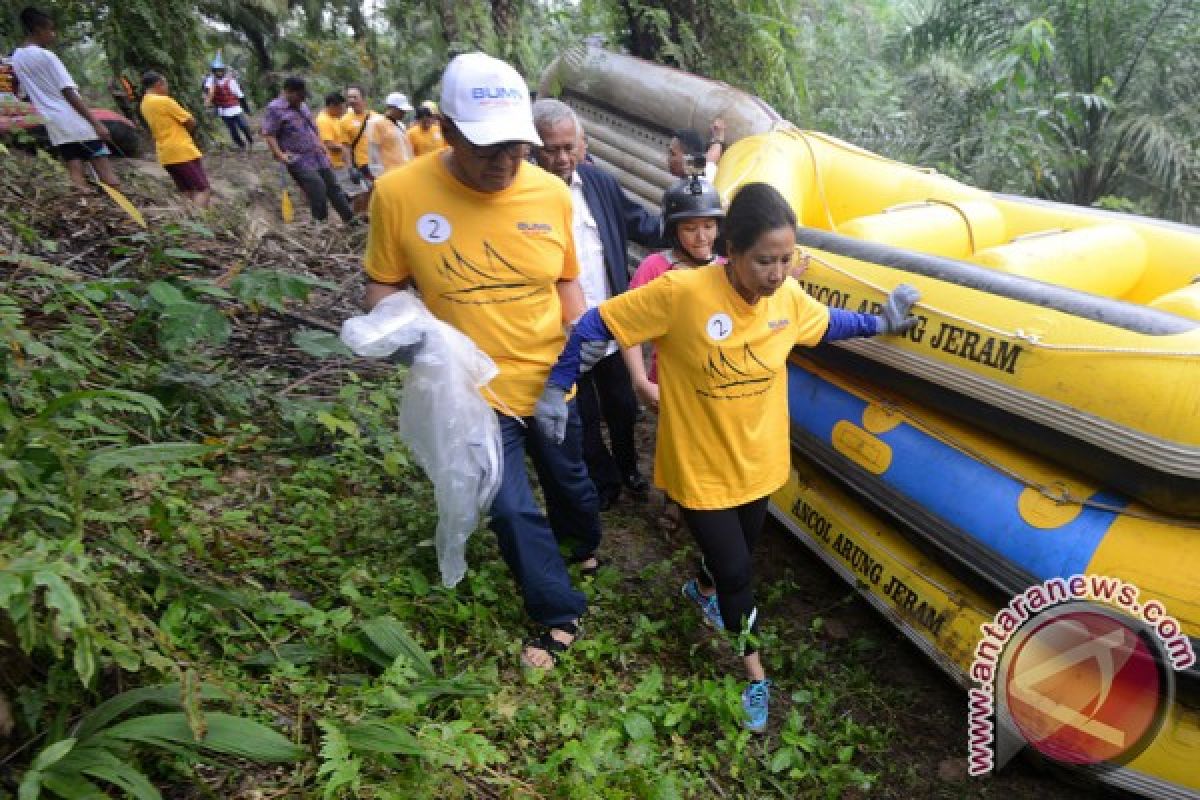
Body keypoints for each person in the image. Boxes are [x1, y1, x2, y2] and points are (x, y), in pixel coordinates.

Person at [537, 182, 920, 731]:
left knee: (730, 559)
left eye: (787, 260)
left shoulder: (784, 297)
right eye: (765, 260)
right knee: (741, 574)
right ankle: (756, 676)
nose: (778, 272)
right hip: (701, 469)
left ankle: (702, 586)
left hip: (761, 464)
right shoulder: (683, 292)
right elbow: (600, 322)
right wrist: (559, 383)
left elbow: (824, 323)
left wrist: (881, 322)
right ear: (732, 251)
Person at [363, 52, 603, 670]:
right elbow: (382, 285)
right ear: (445, 129)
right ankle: (557, 609)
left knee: (569, 478)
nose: (503, 163)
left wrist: (581, 344)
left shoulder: (550, 193)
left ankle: (584, 542)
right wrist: (413, 340)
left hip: (549, 376)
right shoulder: (400, 194)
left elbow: (568, 281)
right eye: (486, 148)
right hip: (473, 388)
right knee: (508, 502)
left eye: (516, 149)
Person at [531, 97, 662, 510]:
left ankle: (627, 469)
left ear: (583, 144)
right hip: (561, 330)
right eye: (552, 149)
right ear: (535, 149)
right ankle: (603, 482)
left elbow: (640, 222)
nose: (563, 157)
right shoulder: (525, 197)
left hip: (612, 323)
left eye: (570, 146)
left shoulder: (598, 183)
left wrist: (691, 228)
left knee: (623, 406)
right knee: (583, 413)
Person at [624, 175, 725, 410]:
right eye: (690, 229)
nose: (701, 237)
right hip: (670, 389)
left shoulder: (728, 268)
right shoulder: (655, 267)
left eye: (709, 227)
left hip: (720, 388)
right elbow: (627, 325)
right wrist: (640, 380)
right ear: (673, 231)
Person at [10, 6, 120, 190]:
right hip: (75, 121)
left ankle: (85, 208)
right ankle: (126, 212)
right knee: (107, 174)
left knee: (75, 171)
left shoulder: (17, 58)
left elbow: (21, 93)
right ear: (38, 29)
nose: (53, 35)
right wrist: (96, 123)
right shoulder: (47, 56)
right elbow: (68, 92)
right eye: (50, 30)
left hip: (53, 123)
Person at [262, 76, 354, 225]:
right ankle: (320, 224)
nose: (302, 99)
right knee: (317, 188)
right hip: (298, 158)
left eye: (303, 96)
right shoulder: (275, 109)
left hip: (317, 154)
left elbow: (313, 129)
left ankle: (350, 219)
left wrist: (324, 149)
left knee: (334, 187)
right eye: (299, 96)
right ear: (288, 92)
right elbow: (269, 134)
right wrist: (280, 154)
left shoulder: (303, 106)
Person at [139, 71, 210, 208]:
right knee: (202, 189)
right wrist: (187, 133)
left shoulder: (144, 104)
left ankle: (187, 221)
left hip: (165, 154)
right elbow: (190, 121)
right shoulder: (164, 101)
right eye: (166, 84)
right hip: (181, 150)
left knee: (187, 191)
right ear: (159, 84)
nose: (167, 88)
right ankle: (198, 221)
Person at [203, 55, 254, 152]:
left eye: (221, 70)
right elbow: (208, 92)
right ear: (214, 71)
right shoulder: (210, 81)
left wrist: (247, 109)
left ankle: (250, 141)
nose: (219, 72)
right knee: (233, 130)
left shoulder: (231, 81)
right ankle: (241, 145)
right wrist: (208, 100)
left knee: (243, 126)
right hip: (223, 110)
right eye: (217, 71)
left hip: (235, 108)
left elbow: (240, 95)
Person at [338, 85, 376, 212]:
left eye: (355, 97)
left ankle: (367, 219)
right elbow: (345, 146)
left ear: (363, 100)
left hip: (375, 164)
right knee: (359, 195)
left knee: (373, 193)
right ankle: (357, 220)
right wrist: (349, 168)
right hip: (359, 164)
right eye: (349, 97)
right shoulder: (345, 121)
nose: (352, 100)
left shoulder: (375, 117)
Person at [366, 92, 414, 177]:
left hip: (405, 171)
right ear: (391, 107)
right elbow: (373, 151)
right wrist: (379, 175)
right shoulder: (376, 123)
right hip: (389, 173)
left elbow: (406, 149)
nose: (404, 112)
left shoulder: (401, 125)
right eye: (401, 110)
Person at [315, 91, 347, 174]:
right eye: (340, 108)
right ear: (332, 106)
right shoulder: (323, 120)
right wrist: (345, 149)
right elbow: (329, 144)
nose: (342, 111)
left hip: (341, 164)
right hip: (332, 165)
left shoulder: (334, 117)